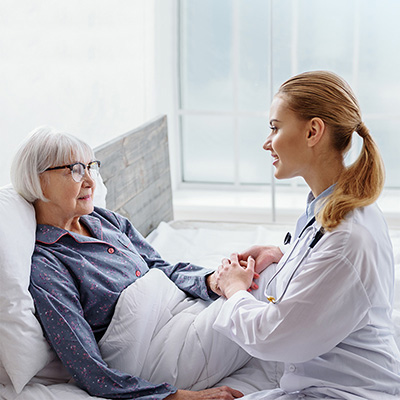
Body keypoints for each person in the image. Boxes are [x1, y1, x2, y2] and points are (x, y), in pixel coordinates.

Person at [10, 127, 258, 400]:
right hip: (158, 354)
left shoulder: (104, 220)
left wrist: (214, 281)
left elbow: (160, 266)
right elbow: (87, 367)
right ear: (39, 181)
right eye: (76, 170)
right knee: (261, 290)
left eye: (91, 168)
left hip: (179, 313)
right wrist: (182, 397)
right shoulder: (48, 265)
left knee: (258, 272)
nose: (91, 181)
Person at [213, 71, 400, 399]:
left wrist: (234, 290)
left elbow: (273, 335)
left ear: (313, 131)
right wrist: (283, 256)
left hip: (345, 392)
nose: (267, 142)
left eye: (275, 127)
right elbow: (327, 281)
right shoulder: (334, 210)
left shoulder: (348, 238)